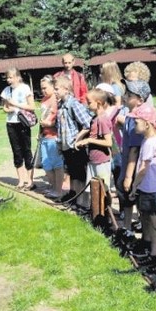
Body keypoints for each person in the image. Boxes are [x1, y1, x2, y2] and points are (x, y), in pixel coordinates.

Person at [126, 103, 156, 274]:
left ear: (147, 123)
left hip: (152, 189)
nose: (134, 124)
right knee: (153, 224)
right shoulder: (149, 140)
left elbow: (143, 169)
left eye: (136, 121)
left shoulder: (150, 142)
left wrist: (134, 185)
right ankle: (155, 253)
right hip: (149, 188)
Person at [115, 80, 150, 247]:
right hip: (126, 162)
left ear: (140, 100)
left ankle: (145, 237)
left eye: (130, 95)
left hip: (133, 167)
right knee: (126, 197)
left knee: (133, 197)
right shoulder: (129, 116)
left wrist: (128, 176)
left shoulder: (138, 119)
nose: (125, 97)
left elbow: (135, 150)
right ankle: (127, 228)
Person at [54, 75, 91, 213]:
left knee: (79, 175)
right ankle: (74, 198)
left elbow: (87, 124)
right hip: (66, 147)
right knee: (72, 174)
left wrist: (77, 139)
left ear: (66, 89)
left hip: (75, 147)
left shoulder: (74, 104)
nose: (55, 91)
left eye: (57, 89)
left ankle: (81, 202)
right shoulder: (61, 105)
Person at [75, 87, 114, 208]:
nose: (87, 105)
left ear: (98, 103)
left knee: (103, 189)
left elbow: (109, 142)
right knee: (94, 189)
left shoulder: (102, 119)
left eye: (89, 102)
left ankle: (105, 214)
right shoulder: (95, 118)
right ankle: (95, 212)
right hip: (93, 159)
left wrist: (89, 140)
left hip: (101, 161)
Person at [1, 67, 36, 190]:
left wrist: (16, 105)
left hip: (23, 123)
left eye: (11, 77)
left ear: (17, 77)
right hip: (11, 123)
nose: (9, 80)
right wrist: (8, 109)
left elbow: (32, 106)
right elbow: (4, 108)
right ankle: (21, 181)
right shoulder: (6, 91)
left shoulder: (25, 88)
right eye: (7, 78)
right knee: (16, 152)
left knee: (27, 150)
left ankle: (30, 181)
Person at [38, 75, 64, 199]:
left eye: (45, 88)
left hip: (54, 136)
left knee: (57, 164)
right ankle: (53, 187)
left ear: (53, 87)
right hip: (44, 136)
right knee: (46, 163)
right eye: (41, 88)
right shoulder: (43, 100)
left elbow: (60, 119)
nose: (43, 90)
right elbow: (42, 117)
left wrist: (51, 124)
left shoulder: (56, 100)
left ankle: (58, 190)